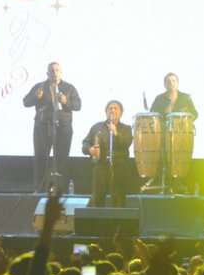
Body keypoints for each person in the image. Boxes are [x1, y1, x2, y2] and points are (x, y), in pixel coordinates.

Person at [23, 62, 82, 192]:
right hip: (42, 127)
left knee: (61, 159)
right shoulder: (40, 87)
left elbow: (78, 106)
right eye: (52, 71)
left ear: (61, 72)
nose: (55, 73)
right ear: (47, 73)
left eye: (57, 70)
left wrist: (66, 102)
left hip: (63, 128)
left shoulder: (69, 87)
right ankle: (39, 189)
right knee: (40, 158)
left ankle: (61, 190)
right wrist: (35, 97)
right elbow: (26, 102)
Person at [81, 100, 133, 207]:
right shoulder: (97, 127)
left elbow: (126, 143)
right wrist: (90, 150)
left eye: (116, 108)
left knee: (118, 199)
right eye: (110, 108)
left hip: (119, 167)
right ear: (106, 112)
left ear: (121, 113)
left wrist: (116, 133)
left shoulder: (126, 129)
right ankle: (97, 222)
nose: (112, 110)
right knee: (97, 199)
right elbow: (85, 144)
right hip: (101, 166)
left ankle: (119, 223)